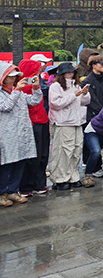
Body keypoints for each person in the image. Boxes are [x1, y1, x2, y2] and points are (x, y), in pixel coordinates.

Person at [0, 63, 41, 206]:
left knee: (20, 161)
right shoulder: (3, 93)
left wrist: (36, 88)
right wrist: (17, 91)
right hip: (7, 134)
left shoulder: (20, 92)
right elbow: (6, 106)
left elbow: (35, 101)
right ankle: (1, 193)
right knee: (6, 163)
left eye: (15, 77)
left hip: (22, 132)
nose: (13, 79)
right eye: (10, 77)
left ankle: (13, 191)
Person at [48, 63, 91, 191]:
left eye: (72, 72)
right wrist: (74, 95)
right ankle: (60, 178)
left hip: (77, 121)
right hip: (64, 122)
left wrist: (84, 94)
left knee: (76, 150)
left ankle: (73, 176)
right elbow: (56, 104)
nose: (71, 74)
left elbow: (85, 102)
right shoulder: (55, 86)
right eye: (68, 72)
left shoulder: (76, 85)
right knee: (63, 151)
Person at [18, 59, 50, 197]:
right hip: (32, 123)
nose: (40, 72)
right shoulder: (21, 88)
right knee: (32, 156)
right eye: (37, 70)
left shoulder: (37, 84)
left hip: (42, 120)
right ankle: (26, 185)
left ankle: (39, 183)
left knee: (43, 155)